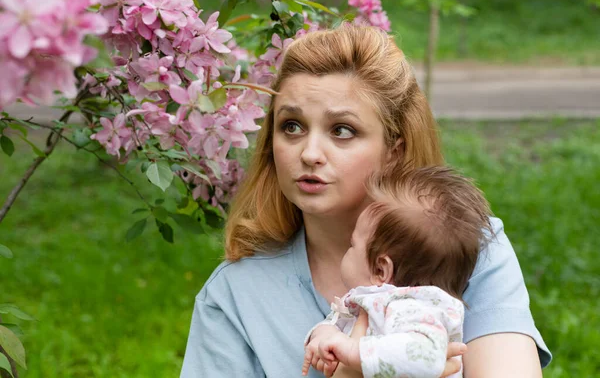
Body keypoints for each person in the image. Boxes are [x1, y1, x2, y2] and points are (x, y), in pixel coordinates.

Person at [180, 24, 551, 378]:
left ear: (394, 150)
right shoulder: (234, 295)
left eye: (342, 130)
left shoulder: (464, 247)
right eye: (291, 126)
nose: (309, 153)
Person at [302, 165, 493, 378]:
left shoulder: (416, 307)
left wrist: (353, 352)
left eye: (352, 244)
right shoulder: (374, 302)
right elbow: (339, 325)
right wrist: (324, 334)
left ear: (381, 270)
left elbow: (426, 357)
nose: (346, 251)